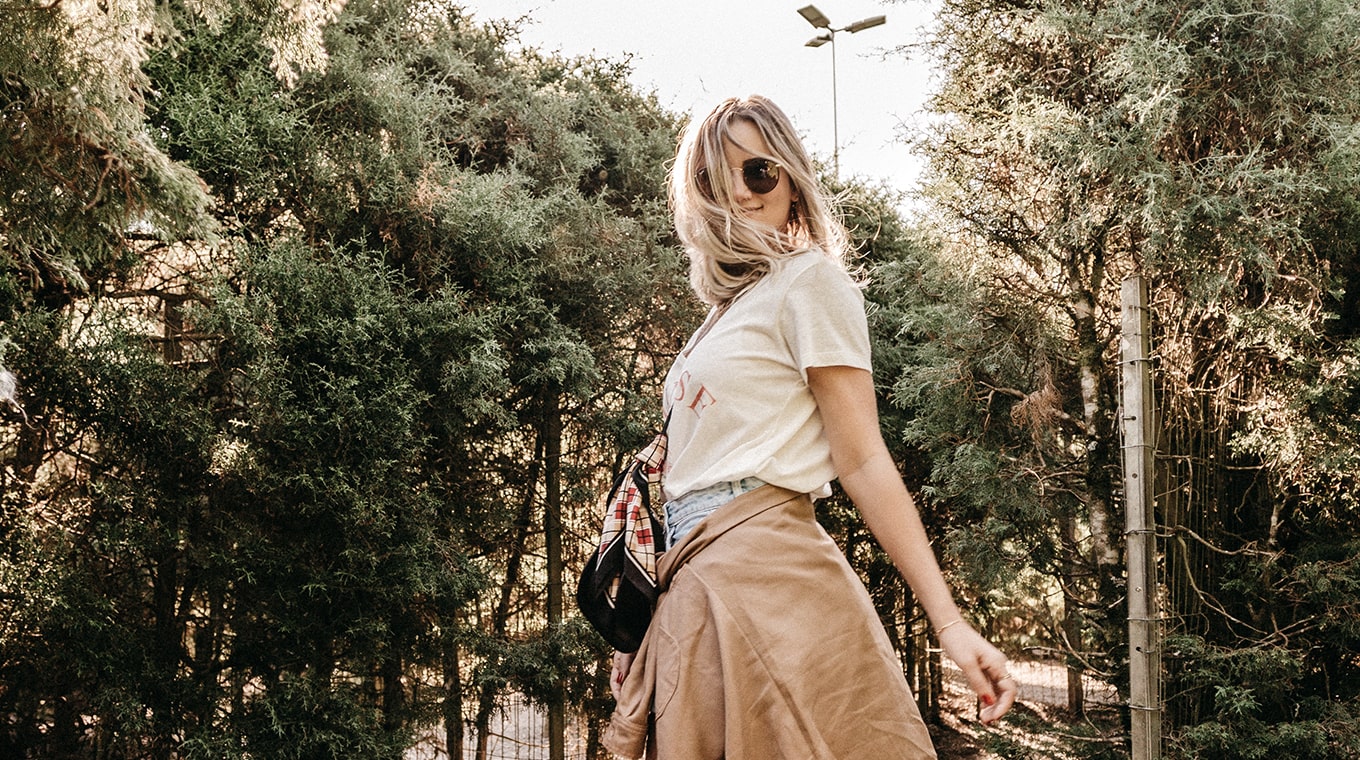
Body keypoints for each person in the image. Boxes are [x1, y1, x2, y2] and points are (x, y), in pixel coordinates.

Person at [602, 95, 1017, 759]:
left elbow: (863, 460)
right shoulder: (727, 309)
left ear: (791, 180)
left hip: (769, 572)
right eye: (716, 177)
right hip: (694, 578)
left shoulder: (811, 282)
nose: (741, 191)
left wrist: (949, 623)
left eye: (758, 171)